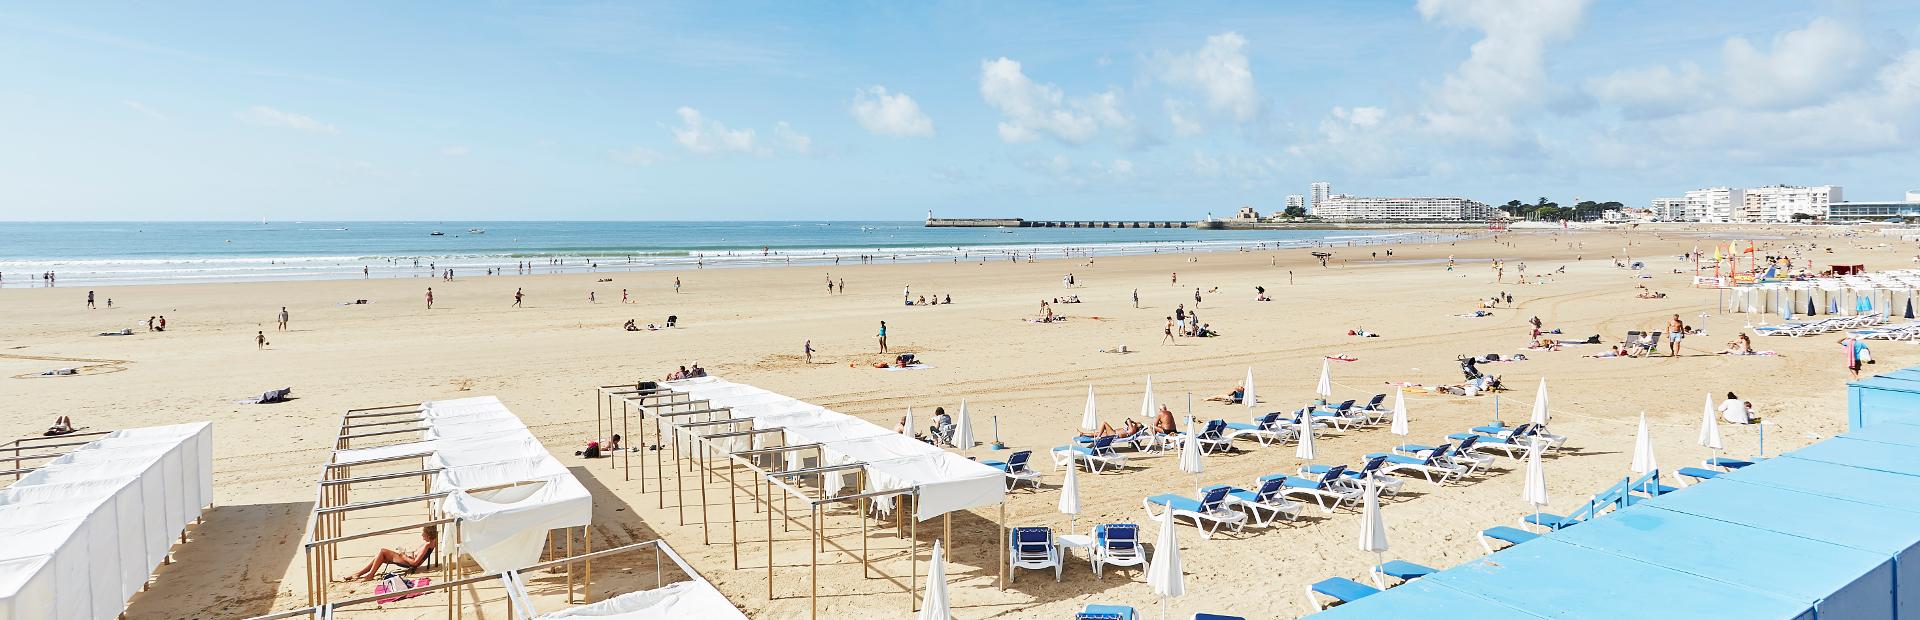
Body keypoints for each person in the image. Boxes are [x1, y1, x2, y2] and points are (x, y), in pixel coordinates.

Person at [339, 526, 438, 582]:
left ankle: (370, 575)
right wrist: (408, 553)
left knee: (382, 551)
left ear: (428, 536)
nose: (421, 535)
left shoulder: (427, 545)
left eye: (423, 534)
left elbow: (415, 563)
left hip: (408, 562)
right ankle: (359, 574)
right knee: (380, 557)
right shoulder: (432, 542)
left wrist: (403, 555)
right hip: (407, 559)